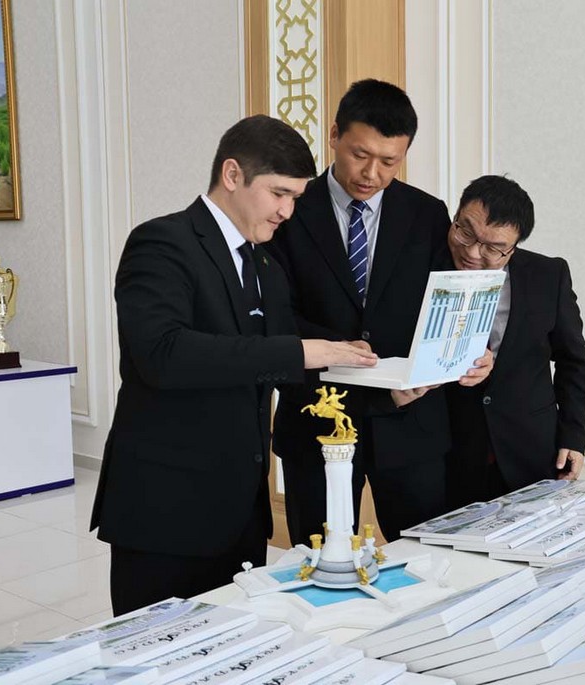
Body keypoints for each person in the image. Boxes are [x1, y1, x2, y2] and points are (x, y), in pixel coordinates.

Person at [90, 115, 377, 615]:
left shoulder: (264, 263)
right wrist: (301, 351)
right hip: (165, 510)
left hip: (241, 514)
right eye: (279, 194)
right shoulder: (161, 242)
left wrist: (381, 376)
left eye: (295, 198)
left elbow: (285, 357)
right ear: (232, 174)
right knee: (158, 647)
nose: (287, 211)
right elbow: (163, 354)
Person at [265, 79, 490, 543]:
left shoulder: (426, 213)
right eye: (360, 155)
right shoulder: (289, 210)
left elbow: (447, 304)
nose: (372, 173)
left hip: (412, 427)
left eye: (389, 161)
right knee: (319, 557)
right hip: (318, 417)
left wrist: (471, 349)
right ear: (334, 135)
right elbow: (273, 314)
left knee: (426, 557)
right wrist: (336, 350)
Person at [443, 175, 585, 508]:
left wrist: (573, 435)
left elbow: (573, 362)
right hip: (450, 453)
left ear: (513, 247)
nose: (472, 252)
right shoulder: (424, 267)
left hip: (532, 452)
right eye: (466, 232)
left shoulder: (548, 276)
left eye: (493, 248)